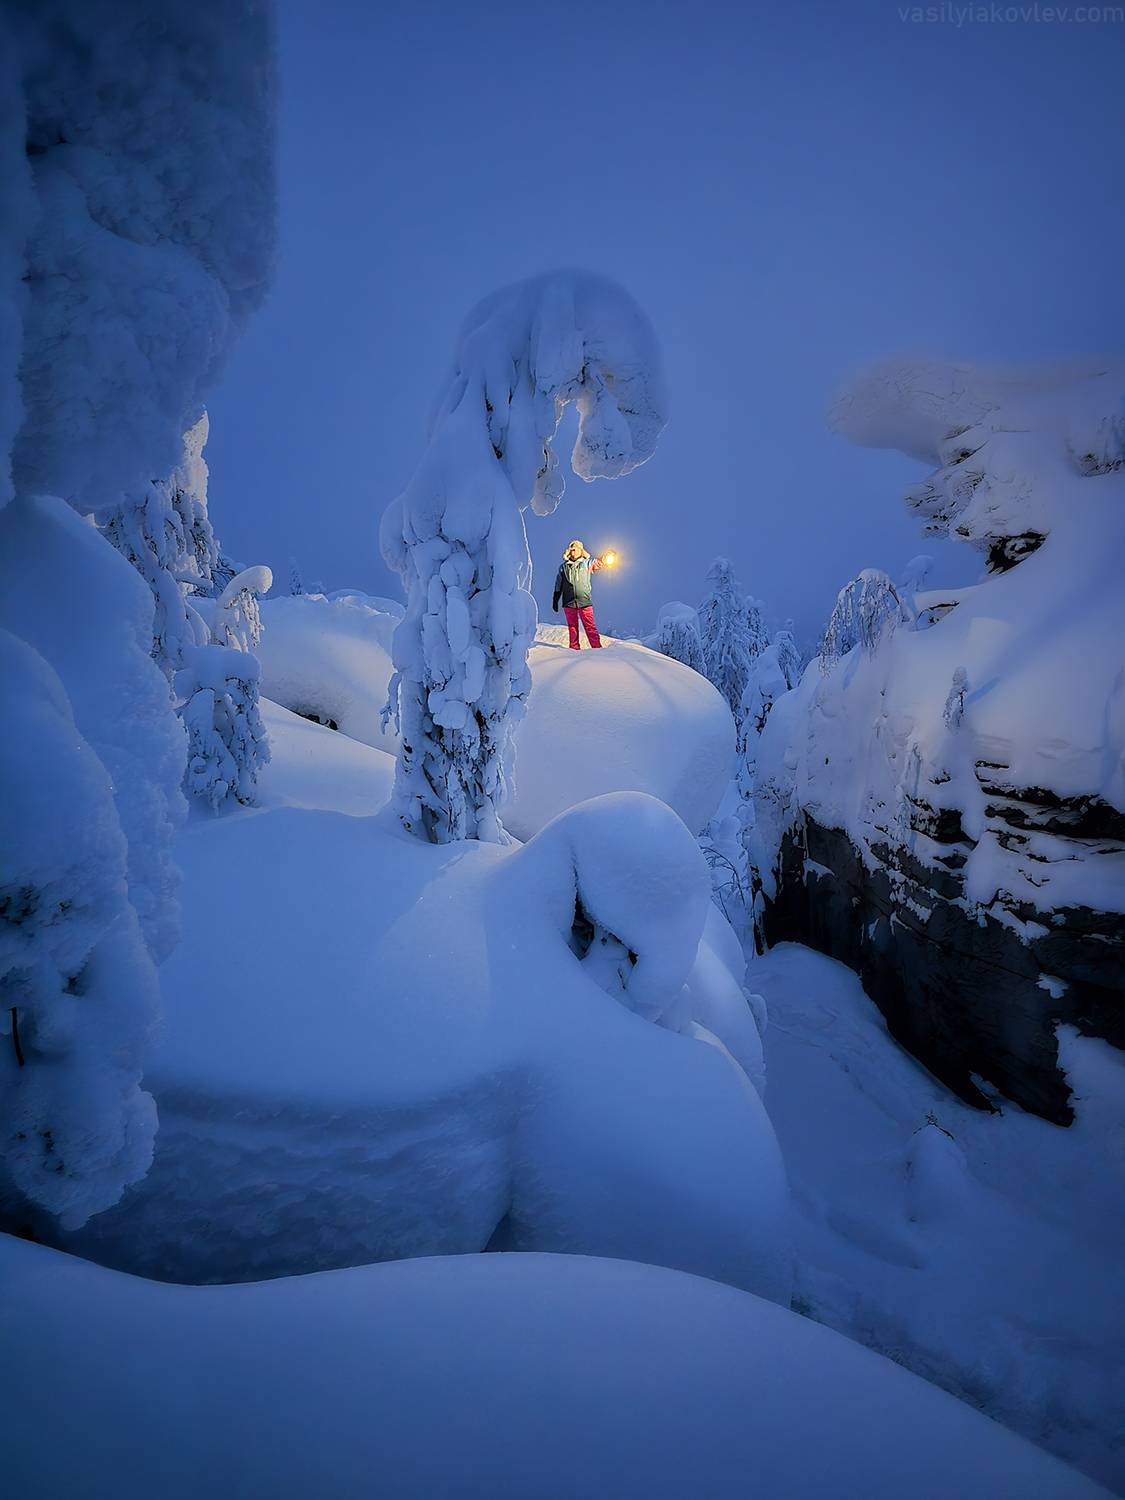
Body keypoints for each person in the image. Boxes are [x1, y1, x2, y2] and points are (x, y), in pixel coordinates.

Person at [552, 539, 606, 650]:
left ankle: (597, 648)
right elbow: (559, 584)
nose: (574, 552)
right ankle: (574, 649)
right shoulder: (564, 567)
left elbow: (598, 563)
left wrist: (605, 558)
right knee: (572, 628)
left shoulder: (587, 563)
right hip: (569, 602)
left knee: (590, 626)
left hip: (584, 601)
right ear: (569, 552)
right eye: (572, 550)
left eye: (577, 550)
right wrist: (555, 599)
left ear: (581, 551)